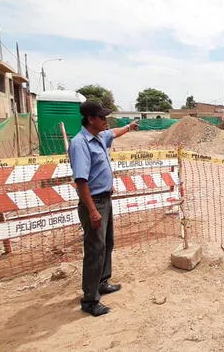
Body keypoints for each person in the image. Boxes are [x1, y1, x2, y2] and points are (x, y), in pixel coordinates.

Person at [68, 100, 138, 317]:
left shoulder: (99, 136)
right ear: (90, 119)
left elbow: (114, 133)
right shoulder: (80, 144)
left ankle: (102, 282)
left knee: (107, 244)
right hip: (94, 203)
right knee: (94, 251)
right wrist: (92, 211)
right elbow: (81, 181)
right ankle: (89, 299)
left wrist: (129, 127)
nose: (106, 121)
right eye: (102, 117)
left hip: (105, 200)